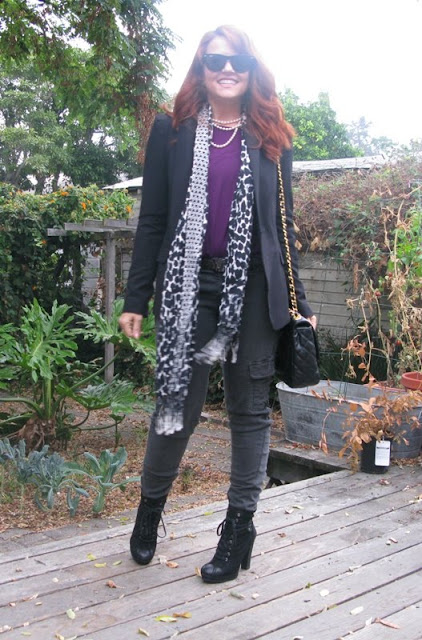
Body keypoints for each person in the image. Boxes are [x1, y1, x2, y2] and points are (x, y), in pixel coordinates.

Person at [119, 24, 316, 584]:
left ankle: (238, 531)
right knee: (175, 408)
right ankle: (150, 509)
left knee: (249, 411)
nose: (227, 69)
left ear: (252, 71)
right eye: (216, 60)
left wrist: (298, 302)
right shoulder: (172, 131)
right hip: (189, 286)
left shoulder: (272, 137)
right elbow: (153, 220)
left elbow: (283, 229)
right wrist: (136, 297)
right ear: (201, 69)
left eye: (238, 61)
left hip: (254, 288)